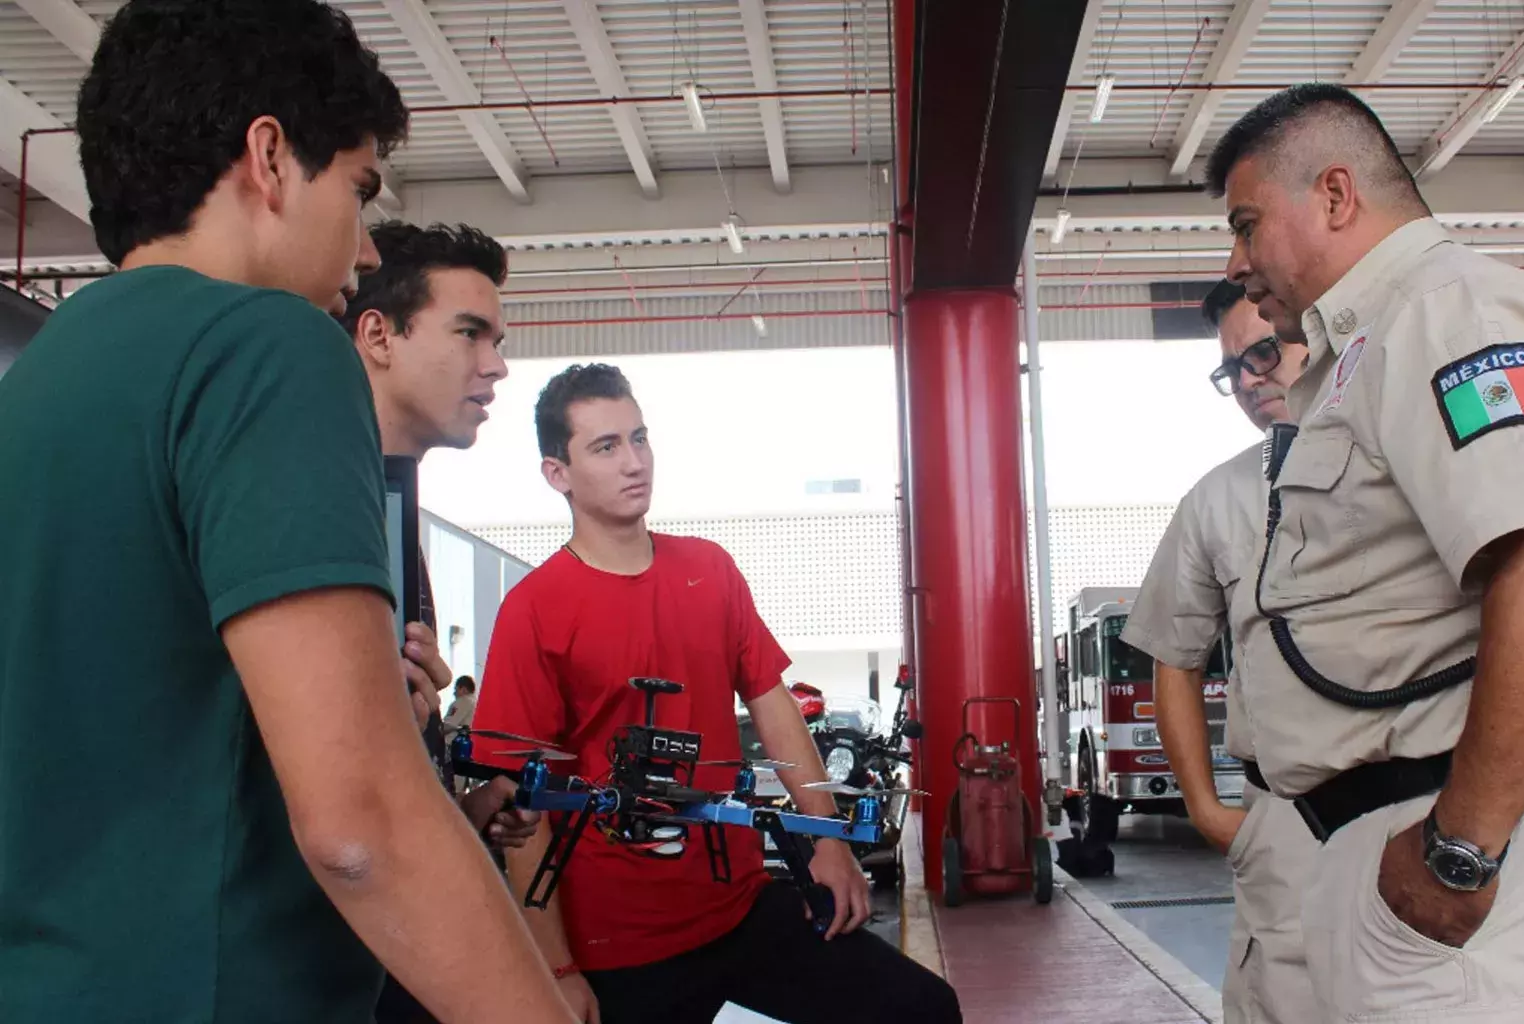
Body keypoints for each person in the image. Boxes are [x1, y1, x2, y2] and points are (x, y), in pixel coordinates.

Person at [0, 3, 574, 1022]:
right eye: (357, 191)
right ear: (268, 156)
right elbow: (363, 827)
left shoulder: (39, 381)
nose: (361, 251)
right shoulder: (267, 345)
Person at [1207, 83, 1524, 1023]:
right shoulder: (1369, 347)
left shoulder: (1448, 312)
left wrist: (1460, 853)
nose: (1240, 262)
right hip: (1389, 846)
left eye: (1249, 225)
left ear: (1335, 194)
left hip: (1458, 859)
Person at [474, 363, 963, 1024]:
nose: (634, 461)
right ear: (557, 473)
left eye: (639, 438)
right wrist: (556, 970)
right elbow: (523, 807)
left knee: (922, 1007)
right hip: (618, 948)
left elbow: (775, 706)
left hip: (738, 907)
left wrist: (829, 841)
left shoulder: (709, 570)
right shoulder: (534, 611)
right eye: (606, 446)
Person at [339, 219, 542, 1023]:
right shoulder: (325, 510)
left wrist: (466, 813)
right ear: (379, 334)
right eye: (470, 333)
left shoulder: (393, 519)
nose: (495, 365)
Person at [1120, 279, 1317, 1024]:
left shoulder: (1407, 454)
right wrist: (1206, 807)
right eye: (1230, 368)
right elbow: (1174, 653)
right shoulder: (1217, 500)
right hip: (1287, 823)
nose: (1249, 378)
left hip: (1427, 807)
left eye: (1265, 351)